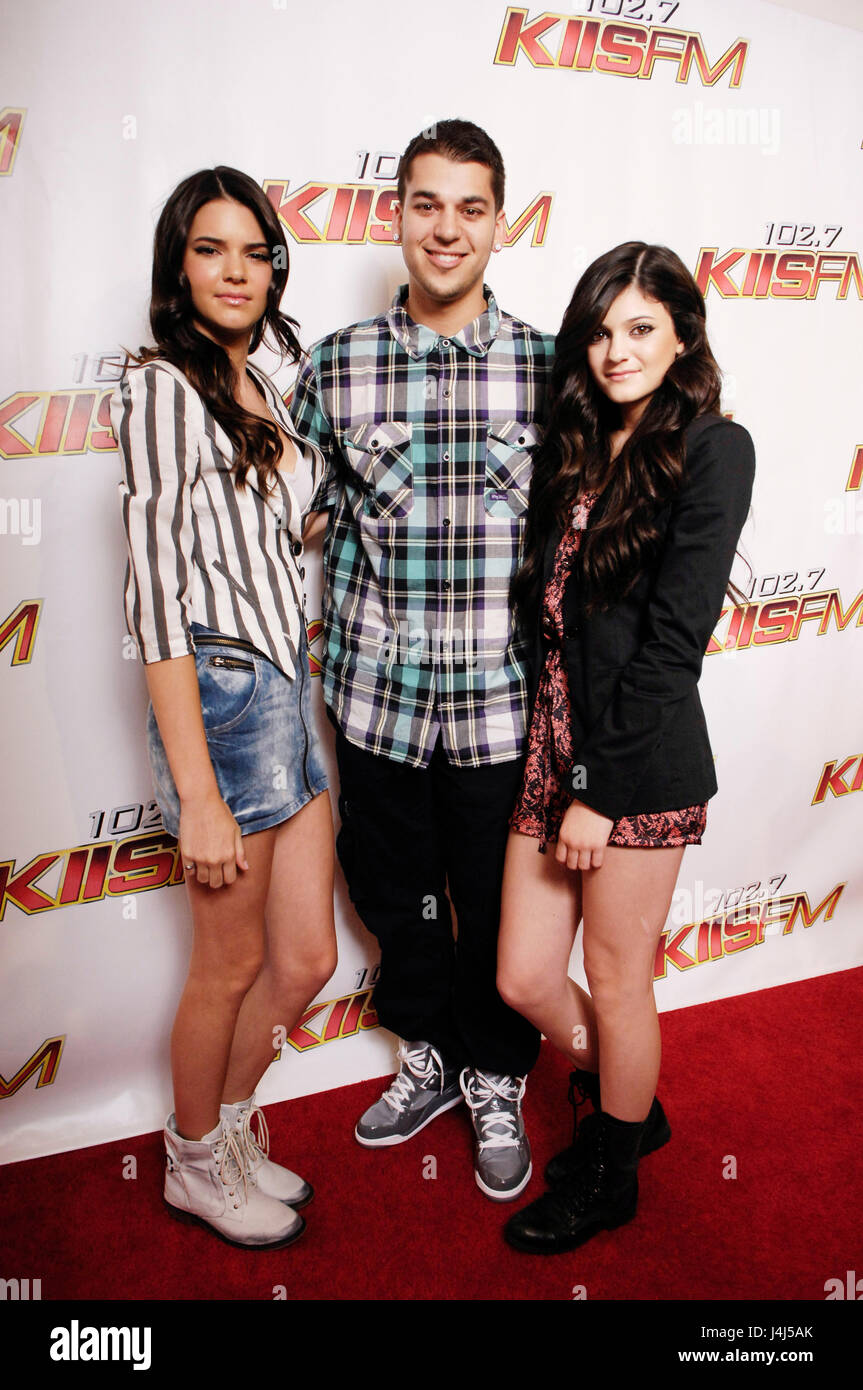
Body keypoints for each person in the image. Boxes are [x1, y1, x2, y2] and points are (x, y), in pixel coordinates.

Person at [290, 120, 554, 1201]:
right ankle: (429, 1053)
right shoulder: (336, 365)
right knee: (394, 891)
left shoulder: (548, 367)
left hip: (499, 706)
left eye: (470, 207)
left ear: (501, 221)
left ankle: (496, 1070)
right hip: (376, 701)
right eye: (426, 204)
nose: (447, 228)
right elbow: (292, 510)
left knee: (497, 902)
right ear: (394, 213)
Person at [497, 241, 755, 1252]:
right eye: (600, 331)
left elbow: (669, 645)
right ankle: (625, 1101)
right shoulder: (577, 448)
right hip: (549, 755)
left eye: (640, 327)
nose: (616, 349)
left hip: (632, 768)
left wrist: (596, 790)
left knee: (614, 975)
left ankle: (611, 1169)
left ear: (683, 333)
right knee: (521, 974)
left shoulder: (711, 448)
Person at [111, 166, 337, 1249]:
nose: (236, 269)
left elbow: (269, 539)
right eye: (211, 249)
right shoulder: (160, 385)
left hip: (287, 686)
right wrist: (196, 792)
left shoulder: (265, 383)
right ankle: (191, 1161)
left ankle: (232, 1127)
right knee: (231, 962)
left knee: (306, 960)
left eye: (253, 250)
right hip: (226, 693)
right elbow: (154, 594)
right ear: (179, 264)